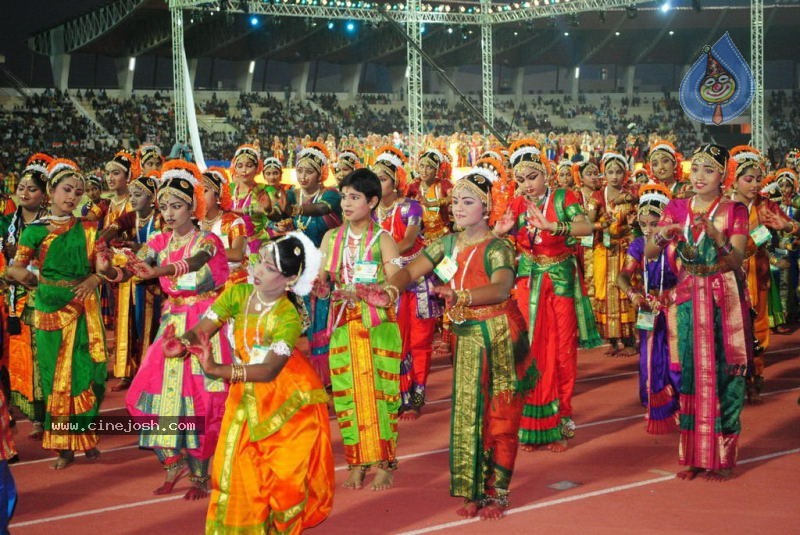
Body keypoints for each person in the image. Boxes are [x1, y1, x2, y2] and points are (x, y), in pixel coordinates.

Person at [368, 168, 536, 519]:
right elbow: (411, 269)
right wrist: (389, 290)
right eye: (455, 201)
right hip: (467, 337)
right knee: (467, 415)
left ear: (487, 208)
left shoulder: (497, 247)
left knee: (500, 414)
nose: (458, 207)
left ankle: (498, 493)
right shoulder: (446, 244)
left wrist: (460, 295)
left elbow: (502, 288)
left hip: (501, 334)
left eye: (468, 201)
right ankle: (474, 488)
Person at [170, 233, 334, 534]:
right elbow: (204, 328)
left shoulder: (289, 316)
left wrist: (218, 369)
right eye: (260, 261)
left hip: (288, 400)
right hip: (245, 393)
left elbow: (269, 370)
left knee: (285, 478)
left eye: (270, 268)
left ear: (290, 279)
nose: (258, 270)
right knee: (235, 466)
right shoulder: (238, 294)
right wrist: (182, 342)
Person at [110, 160, 232, 499]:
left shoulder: (208, 241)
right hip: (171, 326)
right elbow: (132, 270)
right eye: (163, 206)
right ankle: (173, 461)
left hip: (204, 326)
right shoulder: (158, 240)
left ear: (193, 207)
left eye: (176, 206)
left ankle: (200, 476)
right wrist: (110, 270)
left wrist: (158, 269)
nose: (168, 212)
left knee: (202, 401)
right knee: (149, 395)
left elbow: (195, 265)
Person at [646, 144, 752, 481]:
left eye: (708, 170)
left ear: (724, 175)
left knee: (726, 377)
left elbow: (735, 260)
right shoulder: (677, 207)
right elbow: (650, 251)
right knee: (690, 374)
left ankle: (721, 456)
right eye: (696, 169)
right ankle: (693, 455)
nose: (700, 177)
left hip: (724, 299)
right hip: (689, 299)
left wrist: (717, 235)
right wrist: (662, 235)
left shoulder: (735, 210)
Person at [495, 139, 599, 453]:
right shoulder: (515, 203)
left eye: (532, 177)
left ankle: (561, 418)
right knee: (530, 351)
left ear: (546, 173)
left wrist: (552, 225)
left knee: (562, 350)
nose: (527, 185)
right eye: (521, 180)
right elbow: (492, 237)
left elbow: (586, 228)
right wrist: (500, 232)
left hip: (560, 281)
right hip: (529, 282)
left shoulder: (564, 196)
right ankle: (532, 424)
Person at [5, 158, 107, 470]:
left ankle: (85, 435)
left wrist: (95, 278)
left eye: (78, 192)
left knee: (90, 374)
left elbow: (104, 268)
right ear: (51, 191)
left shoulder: (89, 228)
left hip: (84, 304)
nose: (72, 197)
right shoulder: (34, 232)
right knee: (56, 379)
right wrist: (26, 277)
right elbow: (15, 267)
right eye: (66, 190)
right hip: (49, 306)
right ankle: (63, 446)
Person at [317, 168, 402, 491]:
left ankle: (385, 463)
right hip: (343, 328)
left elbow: (396, 282)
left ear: (372, 201)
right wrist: (319, 287)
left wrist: (370, 291)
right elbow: (322, 283)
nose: (346, 204)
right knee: (347, 398)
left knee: (383, 396)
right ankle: (356, 462)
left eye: (354, 198)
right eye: (344, 197)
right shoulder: (330, 238)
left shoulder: (384, 240)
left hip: (378, 328)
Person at [727, 146, 800, 403]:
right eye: (749, 179)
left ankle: (755, 376)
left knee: (757, 329)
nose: (755, 184)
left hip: (757, 278)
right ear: (734, 179)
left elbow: (793, 228)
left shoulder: (765, 206)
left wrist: (787, 225)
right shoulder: (722, 206)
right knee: (730, 330)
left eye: (759, 179)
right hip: (727, 279)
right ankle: (734, 379)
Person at [373, 147, 437, 420]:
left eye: (383, 178)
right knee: (395, 338)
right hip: (391, 281)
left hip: (418, 278)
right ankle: (400, 393)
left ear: (396, 181)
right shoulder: (372, 211)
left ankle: (418, 393)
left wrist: (381, 258)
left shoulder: (410, 206)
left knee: (420, 340)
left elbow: (410, 241)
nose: (377, 184)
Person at [618, 183, 680, 434]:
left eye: (653, 224)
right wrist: (632, 294)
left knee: (675, 356)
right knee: (648, 356)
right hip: (647, 306)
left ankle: (680, 403)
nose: (648, 229)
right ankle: (655, 403)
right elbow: (622, 276)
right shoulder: (637, 245)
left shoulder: (675, 244)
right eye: (643, 224)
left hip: (674, 304)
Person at [283, 142, 342, 385]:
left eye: (309, 171)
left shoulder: (331, 194)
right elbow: (276, 214)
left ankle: (325, 379)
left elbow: (322, 209)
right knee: (297, 325)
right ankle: (300, 378)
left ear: (321, 174)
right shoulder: (290, 193)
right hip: (296, 267)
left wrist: (293, 210)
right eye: (300, 170)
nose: (303, 176)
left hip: (324, 266)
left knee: (321, 323)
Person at [1, 154, 51, 441]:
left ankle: (49, 416)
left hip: (44, 297)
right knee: (17, 360)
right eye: (21, 187)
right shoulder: (6, 223)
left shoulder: (50, 223)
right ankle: (32, 415)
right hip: (12, 299)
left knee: (44, 358)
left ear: (44, 195)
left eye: (31, 189)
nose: (24, 192)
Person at [588, 152, 638, 356]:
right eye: (610, 172)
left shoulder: (631, 194)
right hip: (604, 251)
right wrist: (602, 223)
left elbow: (640, 212)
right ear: (604, 174)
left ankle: (630, 341)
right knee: (605, 292)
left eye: (619, 172)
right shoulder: (597, 197)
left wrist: (629, 199)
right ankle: (612, 339)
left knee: (625, 290)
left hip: (625, 249)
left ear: (625, 174)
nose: (615, 176)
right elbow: (588, 224)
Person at [200, 168, 248, 285]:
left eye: (204, 191)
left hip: (231, 284)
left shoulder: (233, 221)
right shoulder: (194, 223)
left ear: (218, 195)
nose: (200, 197)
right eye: (196, 193)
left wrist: (201, 254)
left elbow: (237, 254)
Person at [229, 144, 272, 253]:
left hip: (256, 246)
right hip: (232, 244)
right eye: (240, 166)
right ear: (235, 168)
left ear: (257, 168)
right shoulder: (229, 189)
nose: (244, 170)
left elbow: (266, 210)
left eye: (249, 166)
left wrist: (237, 211)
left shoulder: (262, 190)